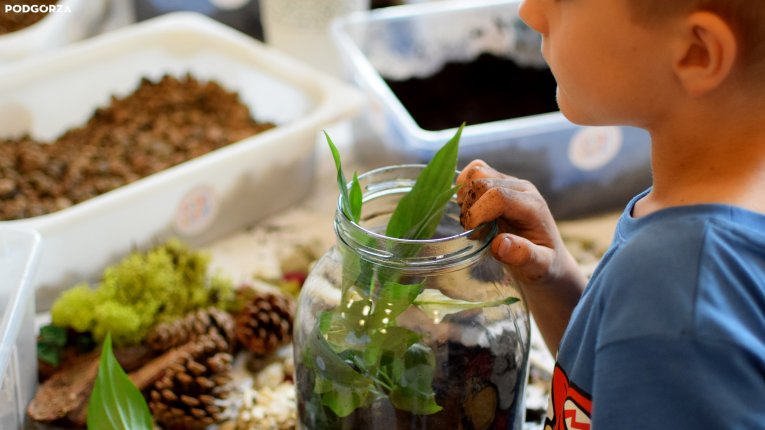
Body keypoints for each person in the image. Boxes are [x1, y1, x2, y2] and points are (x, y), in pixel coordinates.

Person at [456, 0, 765, 428]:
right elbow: (625, 377)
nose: (530, 12)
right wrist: (554, 279)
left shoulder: (676, 279)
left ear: (696, 51)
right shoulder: (692, 229)